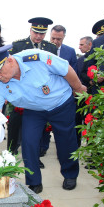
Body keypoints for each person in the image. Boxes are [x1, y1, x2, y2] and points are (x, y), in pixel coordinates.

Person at [0, 45, 86, 194]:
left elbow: (66, 70)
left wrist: (78, 89)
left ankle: (70, 174)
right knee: (28, 142)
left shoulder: (37, 58)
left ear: (10, 61)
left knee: (66, 140)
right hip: (34, 110)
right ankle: (34, 183)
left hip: (60, 103)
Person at [7, 17, 57, 161]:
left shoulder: (51, 48)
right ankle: (10, 153)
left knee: (37, 127)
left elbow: (53, 70)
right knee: (15, 124)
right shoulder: (18, 45)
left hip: (40, 94)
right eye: (36, 32)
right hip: (20, 93)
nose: (38, 36)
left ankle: (34, 157)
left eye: (42, 33)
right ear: (30, 30)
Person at [40, 25, 78, 155]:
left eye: (59, 39)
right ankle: (43, 147)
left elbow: (74, 72)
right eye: (53, 38)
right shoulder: (43, 49)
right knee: (44, 125)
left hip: (62, 95)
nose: (55, 41)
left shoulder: (70, 52)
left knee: (62, 129)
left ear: (64, 37)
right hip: (44, 94)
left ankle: (63, 152)